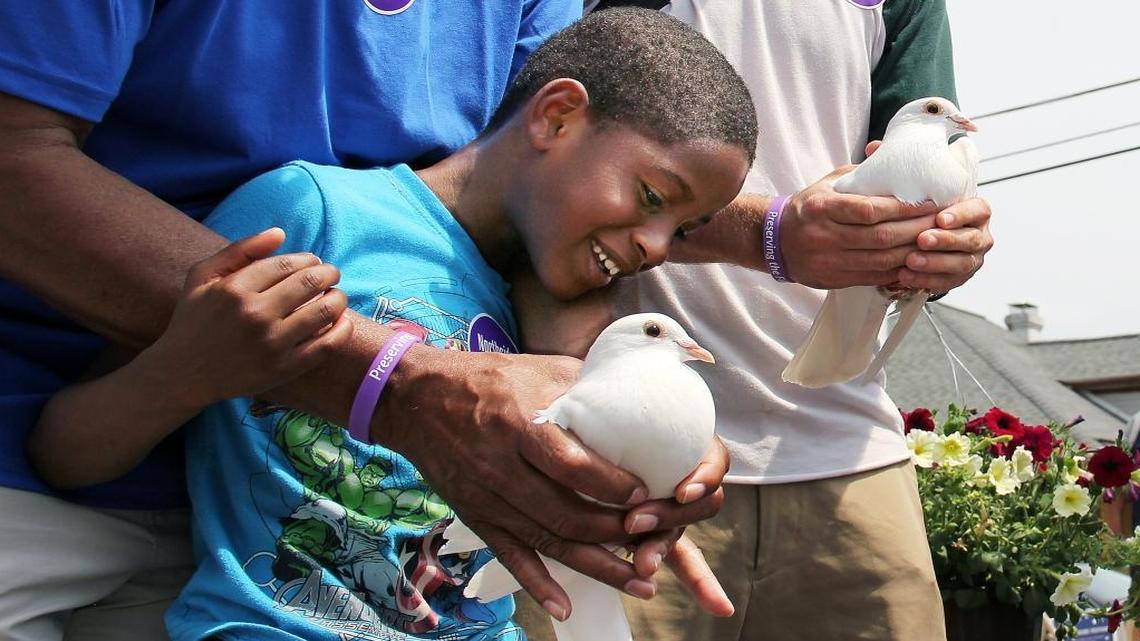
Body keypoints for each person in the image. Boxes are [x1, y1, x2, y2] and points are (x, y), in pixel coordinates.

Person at [0, 3, 733, 640]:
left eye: (685, 227)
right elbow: (73, 442)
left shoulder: (532, 274)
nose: (657, 248)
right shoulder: (299, 217)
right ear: (556, 115)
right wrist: (375, 375)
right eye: (648, 197)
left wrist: (620, 448)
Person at [512, 1, 994, 640]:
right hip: (621, 453)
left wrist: (937, 249)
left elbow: (924, 171)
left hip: (849, 445)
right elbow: (522, 158)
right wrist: (769, 233)